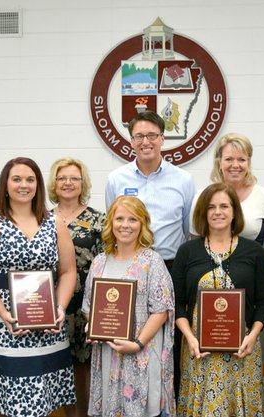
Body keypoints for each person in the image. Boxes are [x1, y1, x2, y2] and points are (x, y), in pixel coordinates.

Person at [0, 157, 77, 416]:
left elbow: (68, 271)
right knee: (5, 402)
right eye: (16, 179)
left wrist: (59, 308)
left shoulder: (54, 222)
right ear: (5, 185)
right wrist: (4, 314)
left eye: (30, 179)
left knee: (40, 403)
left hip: (47, 326)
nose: (23, 185)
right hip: (1, 325)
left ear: (38, 185)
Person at [105, 110, 195, 394]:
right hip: (127, 271)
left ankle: (166, 405)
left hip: (170, 269)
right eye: (139, 136)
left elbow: (188, 230)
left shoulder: (183, 180)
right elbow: (113, 226)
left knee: (169, 345)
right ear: (131, 141)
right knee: (130, 340)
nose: (146, 141)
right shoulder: (116, 179)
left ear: (162, 139)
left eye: (152, 135)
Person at [174, 183, 264, 416]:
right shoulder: (187, 251)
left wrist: (253, 336)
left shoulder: (253, 251)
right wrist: (189, 338)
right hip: (199, 351)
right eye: (211, 207)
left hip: (243, 350)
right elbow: (177, 304)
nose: (218, 212)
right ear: (203, 213)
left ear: (234, 211)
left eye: (224, 206)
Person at [191, 132, 264, 366]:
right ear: (218, 161)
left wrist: (258, 274)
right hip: (210, 291)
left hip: (251, 290)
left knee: (250, 356)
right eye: (229, 159)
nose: (235, 165)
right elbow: (194, 240)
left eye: (242, 159)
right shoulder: (203, 195)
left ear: (249, 162)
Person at [81, 196, 175, 416]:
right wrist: (92, 327)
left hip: (141, 352)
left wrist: (138, 343)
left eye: (133, 219)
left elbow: (161, 310)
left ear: (142, 224)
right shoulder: (99, 262)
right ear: (110, 223)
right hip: (108, 352)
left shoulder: (152, 261)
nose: (125, 225)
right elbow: (89, 306)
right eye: (119, 218)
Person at [48, 157, 106, 417]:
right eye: (62, 178)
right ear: (54, 183)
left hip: (86, 304)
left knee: (83, 368)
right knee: (56, 365)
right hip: (50, 304)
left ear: (83, 184)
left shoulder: (99, 220)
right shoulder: (42, 219)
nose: (68, 183)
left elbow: (106, 265)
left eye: (74, 178)